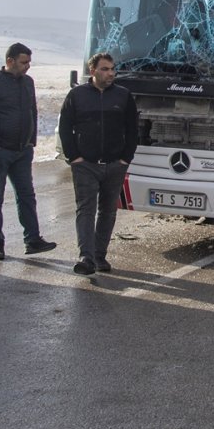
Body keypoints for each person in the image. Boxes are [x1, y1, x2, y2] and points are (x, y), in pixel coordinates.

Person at [0, 42, 56, 260]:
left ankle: (33, 240)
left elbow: (32, 112)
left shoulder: (28, 82)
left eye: (29, 62)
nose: (28, 66)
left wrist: (31, 142)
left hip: (22, 151)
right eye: (23, 62)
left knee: (27, 195)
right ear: (10, 61)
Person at [58, 52, 138, 275]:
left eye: (112, 69)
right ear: (92, 71)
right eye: (105, 69)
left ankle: (99, 256)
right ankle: (86, 257)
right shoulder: (77, 95)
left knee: (108, 211)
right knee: (86, 209)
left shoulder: (123, 96)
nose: (110, 73)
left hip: (115, 164)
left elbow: (133, 129)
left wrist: (125, 158)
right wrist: (74, 157)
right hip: (85, 164)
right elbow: (65, 127)